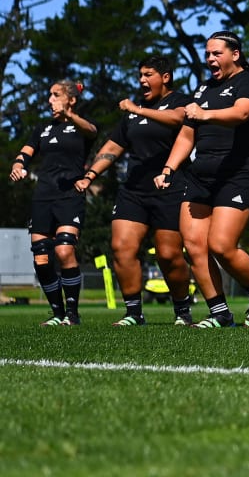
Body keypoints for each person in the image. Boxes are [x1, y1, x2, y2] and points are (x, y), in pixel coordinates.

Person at [154, 31, 249, 328]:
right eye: (207, 54)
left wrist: (206, 114)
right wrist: (169, 168)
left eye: (216, 53)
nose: (210, 59)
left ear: (235, 54)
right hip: (201, 175)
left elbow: (242, 112)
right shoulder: (203, 89)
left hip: (240, 174)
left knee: (221, 245)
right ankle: (220, 313)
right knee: (194, 246)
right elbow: (186, 134)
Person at [74, 56, 194, 326]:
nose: (142, 80)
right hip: (134, 191)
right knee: (121, 247)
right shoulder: (133, 112)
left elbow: (178, 120)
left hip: (171, 188)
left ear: (165, 77)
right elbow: (112, 148)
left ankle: (182, 311)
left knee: (168, 254)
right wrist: (89, 175)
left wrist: (137, 110)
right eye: (140, 74)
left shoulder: (180, 101)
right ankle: (133, 313)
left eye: (148, 74)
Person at [10, 80, 97, 325]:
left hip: (70, 197)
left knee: (65, 250)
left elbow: (92, 131)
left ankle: (72, 313)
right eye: (49, 95)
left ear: (71, 99)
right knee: (41, 258)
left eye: (56, 95)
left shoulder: (81, 127)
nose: (50, 99)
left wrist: (70, 115)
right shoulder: (42, 129)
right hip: (42, 198)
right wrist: (18, 165)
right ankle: (57, 313)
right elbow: (25, 153)